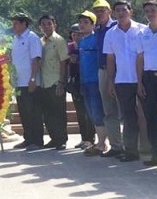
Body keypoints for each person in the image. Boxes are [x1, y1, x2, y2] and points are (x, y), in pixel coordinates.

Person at [103, 1, 146, 162]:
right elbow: (110, 59)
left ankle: (152, 149)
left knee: (148, 114)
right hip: (122, 80)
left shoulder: (142, 30)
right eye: (117, 11)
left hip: (143, 79)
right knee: (128, 117)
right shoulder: (110, 34)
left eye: (124, 10)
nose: (121, 13)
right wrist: (110, 81)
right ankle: (131, 151)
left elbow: (143, 55)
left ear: (131, 12)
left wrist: (141, 80)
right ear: (113, 13)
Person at [136, 0, 157, 166]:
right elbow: (140, 58)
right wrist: (139, 82)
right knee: (152, 116)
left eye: (153, 10)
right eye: (147, 11)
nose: (150, 14)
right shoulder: (142, 33)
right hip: (149, 78)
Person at [10, 12, 43, 151]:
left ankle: (37, 140)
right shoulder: (15, 39)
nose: (13, 26)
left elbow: (36, 59)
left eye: (16, 23)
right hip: (19, 82)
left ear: (24, 23)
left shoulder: (32, 37)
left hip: (30, 81)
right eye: (13, 23)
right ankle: (28, 139)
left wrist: (33, 78)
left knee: (33, 112)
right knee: (24, 112)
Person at [93, 0, 122, 157]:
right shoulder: (97, 29)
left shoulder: (116, 26)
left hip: (121, 71)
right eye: (96, 11)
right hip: (103, 71)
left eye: (102, 10)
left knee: (127, 109)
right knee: (109, 110)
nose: (99, 13)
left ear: (109, 11)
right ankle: (116, 145)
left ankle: (134, 145)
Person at [37, 14, 70, 150]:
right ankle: (54, 138)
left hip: (55, 81)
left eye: (49, 24)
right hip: (43, 82)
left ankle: (61, 139)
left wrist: (62, 82)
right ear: (40, 27)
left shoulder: (59, 40)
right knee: (47, 113)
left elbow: (64, 62)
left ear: (54, 25)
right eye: (43, 24)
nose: (46, 27)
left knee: (58, 112)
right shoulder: (40, 42)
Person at [78, 11, 108, 156]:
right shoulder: (82, 41)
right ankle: (100, 142)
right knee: (91, 113)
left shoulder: (96, 39)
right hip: (85, 81)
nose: (82, 25)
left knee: (97, 112)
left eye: (86, 22)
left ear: (93, 24)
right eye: (80, 22)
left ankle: (102, 143)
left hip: (96, 81)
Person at [67, 24, 95, 149]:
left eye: (79, 34)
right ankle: (84, 138)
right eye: (74, 35)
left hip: (87, 80)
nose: (76, 37)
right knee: (80, 112)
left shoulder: (86, 46)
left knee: (89, 112)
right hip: (75, 82)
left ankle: (90, 138)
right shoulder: (70, 47)